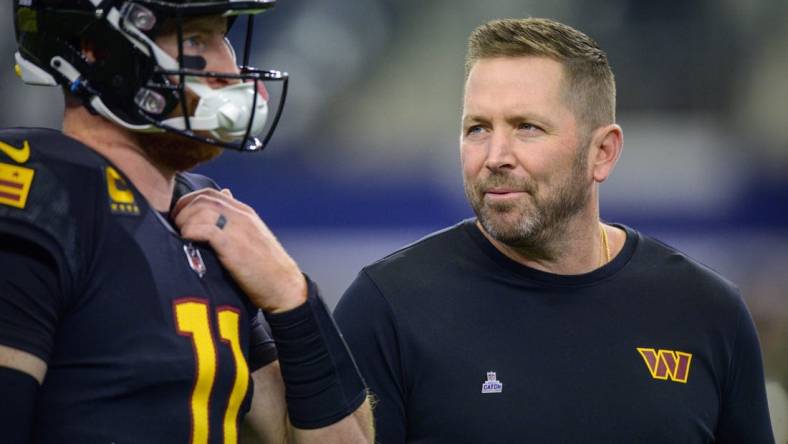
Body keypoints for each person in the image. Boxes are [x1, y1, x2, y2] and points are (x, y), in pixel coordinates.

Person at [334, 17, 775, 443]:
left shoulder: (708, 313)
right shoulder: (387, 308)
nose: (496, 156)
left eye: (527, 127)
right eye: (477, 129)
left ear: (602, 152)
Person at [0, 1, 372, 443]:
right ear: (95, 51)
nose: (226, 65)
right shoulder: (36, 194)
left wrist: (293, 297)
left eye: (223, 37)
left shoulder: (203, 220)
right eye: (195, 39)